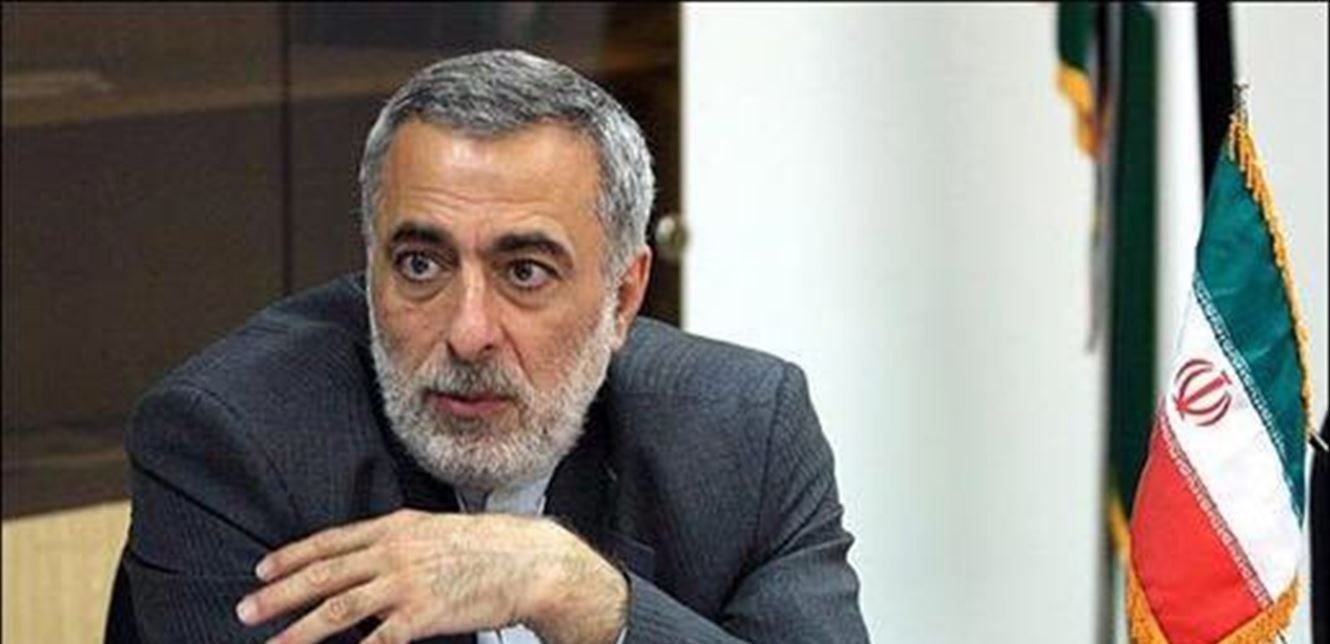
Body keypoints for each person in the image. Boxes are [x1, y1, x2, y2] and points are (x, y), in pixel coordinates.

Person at [109, 50, 867, 643]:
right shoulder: (232, 439)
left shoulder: (745, 431)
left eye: (525, 271)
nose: (468, 332)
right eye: (421, 264)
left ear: (623, 296)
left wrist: (577, 591)